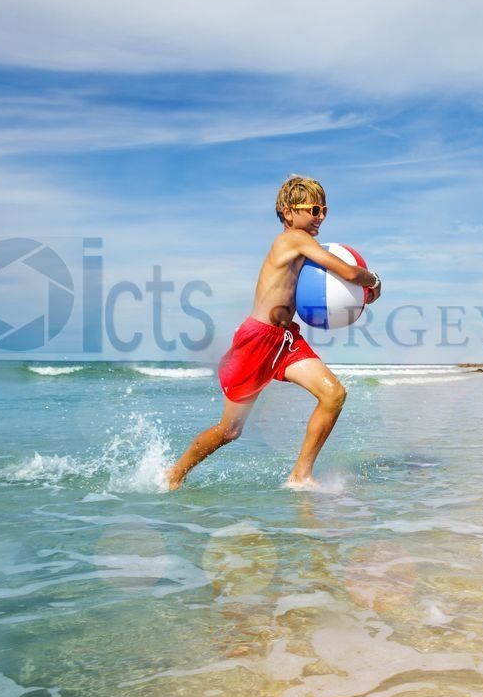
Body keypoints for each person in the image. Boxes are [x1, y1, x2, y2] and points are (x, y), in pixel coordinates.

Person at [163, 175, 382, 490]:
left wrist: (361, 294)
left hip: (286, 339)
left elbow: (332, 287)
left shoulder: (303, 249)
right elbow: (347, 272)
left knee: (333, 394)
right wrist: (373, 281)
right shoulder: (294, 239)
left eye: (324, 210)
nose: (320, 217)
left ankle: (300, 475)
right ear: (289, 213)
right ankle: (173, 474)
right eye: (314, 209)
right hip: (257, 339)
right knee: (229, 431)